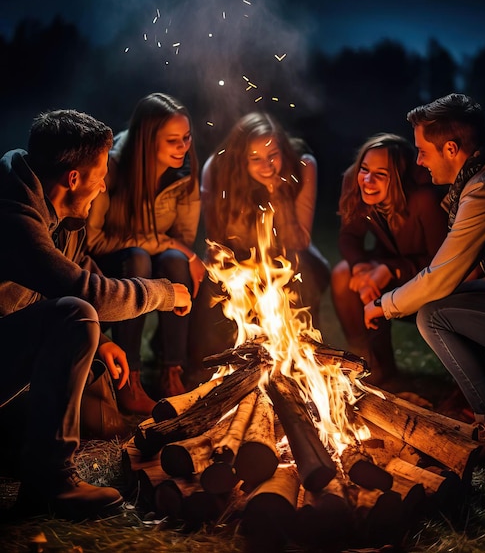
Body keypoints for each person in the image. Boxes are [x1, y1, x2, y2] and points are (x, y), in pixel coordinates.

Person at [0, 109, 192, 519]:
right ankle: (51, 481)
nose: (104, 184)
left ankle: (25, 457)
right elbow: (82, 291)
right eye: (100, 174)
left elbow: (79, 267)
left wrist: (103, 342)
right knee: (75, 315)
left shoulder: (59, 212)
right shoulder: (13, 213)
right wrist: (162, 293)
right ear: (73, 178)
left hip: (9, 350)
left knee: (85, 336)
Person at [364, 94, 485, 475]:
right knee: (440, 308)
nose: (419, 161)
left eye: (423, 151)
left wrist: (383, 304)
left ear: (452, 149)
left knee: (433, 317)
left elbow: (441, 274)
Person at [187, 111, 330, 386]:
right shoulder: (216, 170)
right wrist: (242, 273)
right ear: (241, 159)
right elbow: (217, 241)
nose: (267, 166)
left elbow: (299, 240)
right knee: (214, 288)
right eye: (255, 159)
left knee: (301, 275)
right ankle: (202, 366)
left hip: (291, 254)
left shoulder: (301, 165)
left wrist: (278, 195)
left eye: (273, 155)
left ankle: (301, 361)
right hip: (238, 257)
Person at [85, 93, 204, 413]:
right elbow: (94, 240)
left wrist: (175, 250)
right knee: (140, 257)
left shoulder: (186, 173)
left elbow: (183, 239)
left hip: (156, 259)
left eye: (187, 137)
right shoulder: (112, 165)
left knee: (177, 261)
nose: (184, 146)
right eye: (173, 140)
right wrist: (169, 245)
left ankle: (172, 372)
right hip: (113, 262)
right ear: (146, 141)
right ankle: (129, 379)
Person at [331, 133, 448, 386]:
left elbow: (443, 263)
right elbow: (349, 237)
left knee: (374, 282)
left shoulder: (424, 200)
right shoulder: (356, 182)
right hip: (386, 266)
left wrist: (391, 270)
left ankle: (456, 384)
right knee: (344, 274)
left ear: (397, 178)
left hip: (425, 279)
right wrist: (361, 267)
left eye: (381, 174)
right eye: (365, 169)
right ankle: (367, 362)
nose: (368, 180)